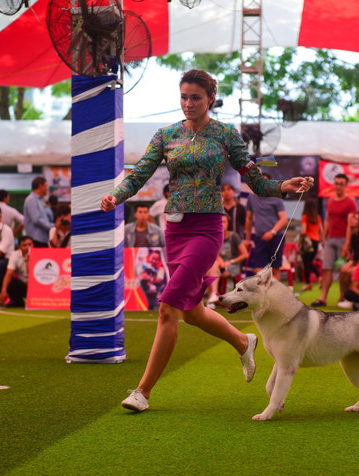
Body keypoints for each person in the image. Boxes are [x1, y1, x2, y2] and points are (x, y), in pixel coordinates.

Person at [101, 69, 313, 412]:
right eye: (183, 97)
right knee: (193, 312)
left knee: (169, 306)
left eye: (195, 97)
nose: (188, 103)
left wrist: (283, 186)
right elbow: (139, 173)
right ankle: (244, 342)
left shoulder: (225, 134)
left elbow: (255, 179)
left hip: (208, 228)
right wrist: (116, 195)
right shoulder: (166, 135)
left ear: (210, 98)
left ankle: (142, 392)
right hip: (175, 229)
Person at [313, 173, 358, 307]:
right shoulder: (330, 201)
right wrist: (323, 238)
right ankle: (323, 298)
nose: (338, 186)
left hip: (344, 240)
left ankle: (343, 297)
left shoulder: (351, 202)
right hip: (330, 240)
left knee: (343, 270)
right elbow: (327, 220)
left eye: (341, 184)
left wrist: (347, 244)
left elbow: (351, 224)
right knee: (327, 268)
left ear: (346, 186)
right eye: (336, 183)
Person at [245, 172, 289, 280]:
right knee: (258, 270)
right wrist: (247, 239)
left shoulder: (277, 198)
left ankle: (275, 295)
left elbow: (284, 219)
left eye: (265, 182)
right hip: (260, 237)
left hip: (276, 236)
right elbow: (249, 218)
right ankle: (265, 293)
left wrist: (272, 232)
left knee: (275, 269)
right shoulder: (252, 198)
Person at [205, 213, 251, 308]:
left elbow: (245, 254)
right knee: (212, 267)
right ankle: (212, 297)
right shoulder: (214, 235)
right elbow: (211, 252)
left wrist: (231, 262)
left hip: (232, 266)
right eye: (220, 222)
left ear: (228, 224)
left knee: (212, 270)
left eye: (224, 222)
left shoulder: (234, 236)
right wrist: (219, 259)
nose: (222, 224)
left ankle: (212, 298)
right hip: (218, 265)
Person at [1, 236, 34, 308]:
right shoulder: (15, 255)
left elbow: (32, 275)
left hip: (36, 287)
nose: (28, 247)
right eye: (24, 245)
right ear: (19, 247)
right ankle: (19, 303)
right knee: (11, 282)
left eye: (30, 244)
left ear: (33, 245)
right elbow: (9, 273)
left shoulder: (40, 254)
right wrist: (3, 290)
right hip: (24, 286)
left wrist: (27, 260)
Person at [299, 200, 322, 292]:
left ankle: (311, 281)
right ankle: (316, 279)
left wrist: (300, 237)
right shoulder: (318, 217)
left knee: (307, 262)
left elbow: (304, 231)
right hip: (316, 242)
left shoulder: (305, 217)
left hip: (308, 242)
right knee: (309, 262)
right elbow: (321, 230)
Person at [24, 176, 53, 248]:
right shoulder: (31, 199)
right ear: (40, 185)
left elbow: (48, 216)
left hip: (43, 239)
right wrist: (52, 227)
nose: (47, 188)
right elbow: (36, 219)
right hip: (36, 240)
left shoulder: (40, 200)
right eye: (46, 185)